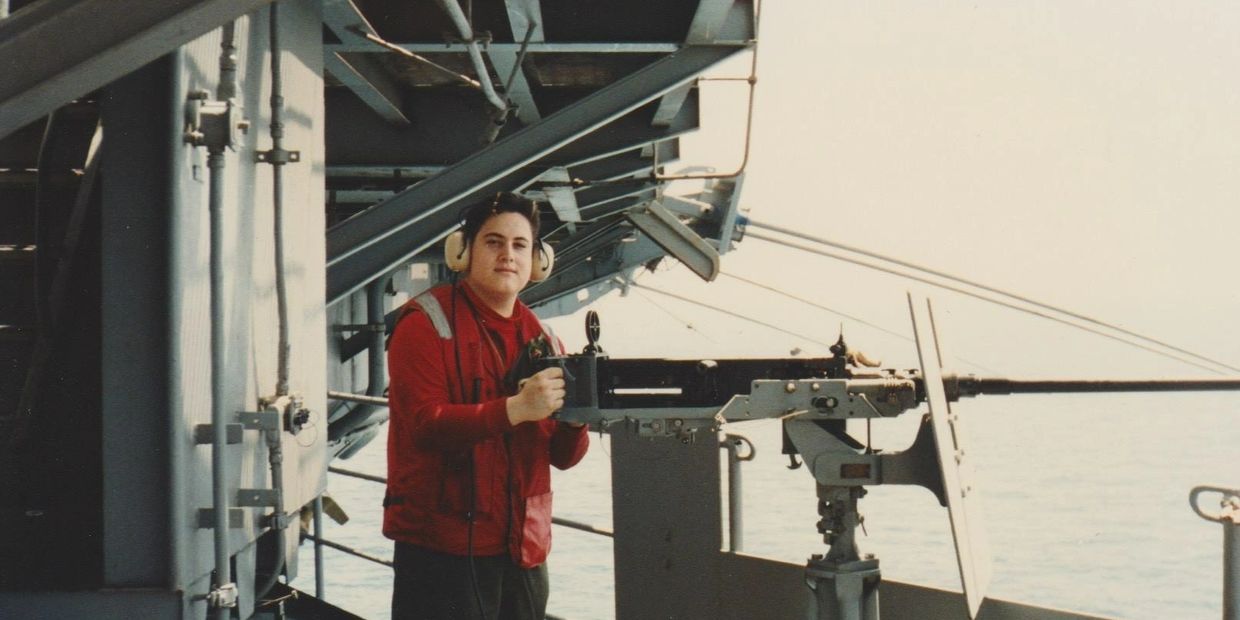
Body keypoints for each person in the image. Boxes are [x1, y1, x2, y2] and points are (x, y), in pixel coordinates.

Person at [384, 192, 589, 619]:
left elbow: (564, 458)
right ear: (463, 252)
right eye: (493, 242)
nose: (507, 256)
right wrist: (515, 409)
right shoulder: (423, 323)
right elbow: (424, 425)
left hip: (522, 551)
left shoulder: (545, 339)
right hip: (440, 552)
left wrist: (576, 420)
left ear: (538, 261)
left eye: (520, 245)